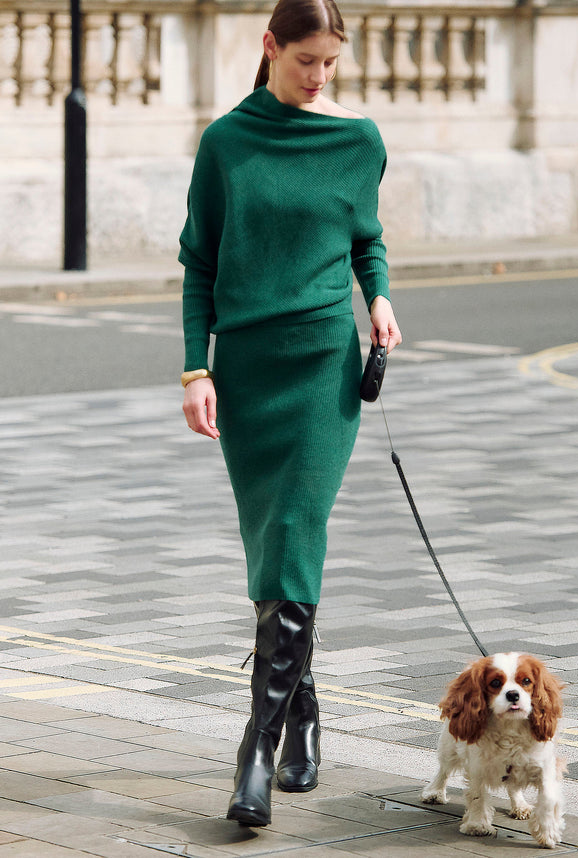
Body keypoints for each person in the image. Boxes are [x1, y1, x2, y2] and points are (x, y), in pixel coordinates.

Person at [179, 0, 401, 828]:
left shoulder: (357, 139)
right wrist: (195, 368)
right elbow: (199, 260)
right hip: (245, 373)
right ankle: (302, 708)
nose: (319, 77)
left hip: (320, 372)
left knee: (297, 534)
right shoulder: (225, 143)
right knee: (274, 551)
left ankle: (255, 755)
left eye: (331, 63)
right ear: (269, 47)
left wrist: (378, 297)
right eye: (306, 60)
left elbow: (364, 237)